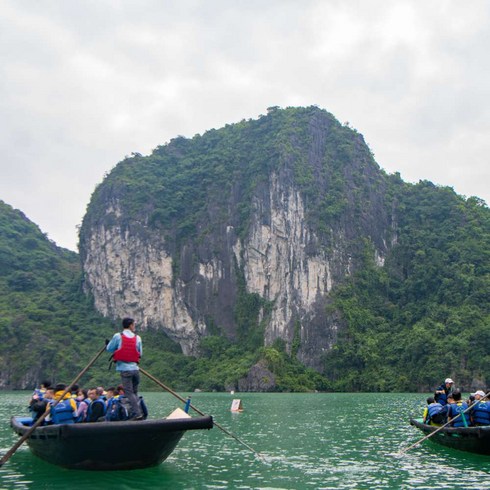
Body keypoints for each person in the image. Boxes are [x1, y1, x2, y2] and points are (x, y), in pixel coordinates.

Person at [106, 317, 143, 420]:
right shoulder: (138, 338)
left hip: (125, 370)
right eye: (134, 325)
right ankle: (138, 413)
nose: (134, 326)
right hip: (136, 370)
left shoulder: (118, 336)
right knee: (134, 393)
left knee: (129, 393)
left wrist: (108, 344)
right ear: (130, 325)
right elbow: (140, 353)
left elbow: (109, 349)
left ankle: (137, 414)